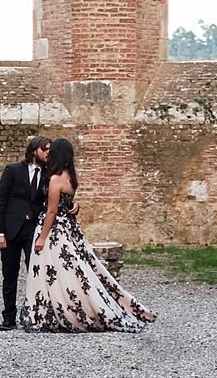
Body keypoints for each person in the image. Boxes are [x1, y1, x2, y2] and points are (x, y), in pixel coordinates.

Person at [18, 137, 156, 332]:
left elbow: (51, 211)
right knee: (77, 270)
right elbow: (68, 201)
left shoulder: (56, 179)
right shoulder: (71, 178)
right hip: (69, 228)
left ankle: (56, 311)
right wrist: (75, 205)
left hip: (54, 230)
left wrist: (41, 237)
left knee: (52, 271)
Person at [0, 134, 52, 331]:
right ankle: (9, 317)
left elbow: (57, 198)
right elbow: (0, 201)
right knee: (10, 274)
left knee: (34, 271)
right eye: (45, 149)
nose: (48, 153)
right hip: (11, 229)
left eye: (50, 150)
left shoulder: (49, 174)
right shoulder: (13, 170)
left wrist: (74, 205)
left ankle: (33, 314)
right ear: (35, 150)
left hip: (32, 228)